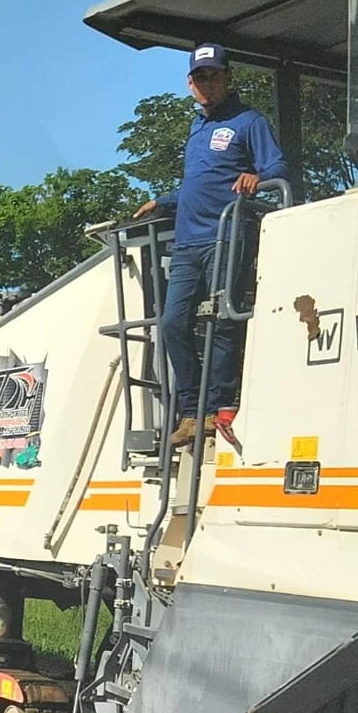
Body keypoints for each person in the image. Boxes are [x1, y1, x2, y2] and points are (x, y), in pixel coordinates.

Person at [132, 43, 288, 448]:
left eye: (214, 75)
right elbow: (197, 183)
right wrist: (163, 201)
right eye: (200, 77)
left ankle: (219, 406)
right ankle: (190, 411)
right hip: (187, 240)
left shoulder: (249, 121)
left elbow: (278, 166)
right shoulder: (196, 128)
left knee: (222, 320)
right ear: (190, 83)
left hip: (227, 233)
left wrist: (257, 177)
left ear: (227, 78)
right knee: (172, 322)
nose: (207, 83)